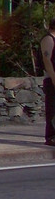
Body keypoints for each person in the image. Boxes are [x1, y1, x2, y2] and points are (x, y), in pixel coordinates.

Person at [42, 18, 55, 147]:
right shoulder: (49, 39)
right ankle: (51, 136)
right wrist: (53, 78)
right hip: (51, 78)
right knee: (52, 109)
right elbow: (47, 60)